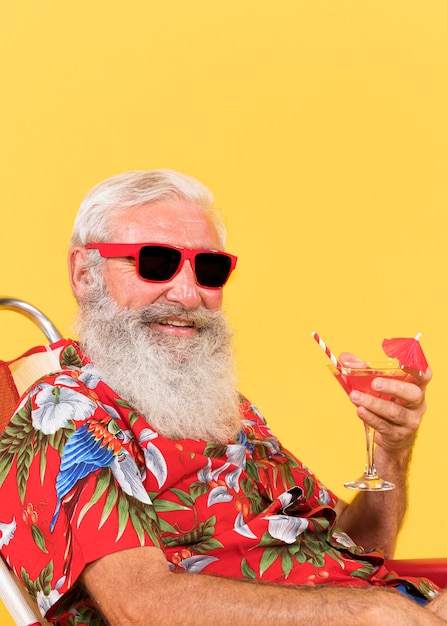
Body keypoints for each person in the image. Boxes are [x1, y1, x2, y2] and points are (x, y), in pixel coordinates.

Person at [1, 169, 447, 626]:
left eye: (209, 269)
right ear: (84, 273)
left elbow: (354, 552)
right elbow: (141, 607)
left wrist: (393, 450)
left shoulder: (217, 405)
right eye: (156, 263)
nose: (189, 293)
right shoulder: (63, 413)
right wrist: (369, 611)